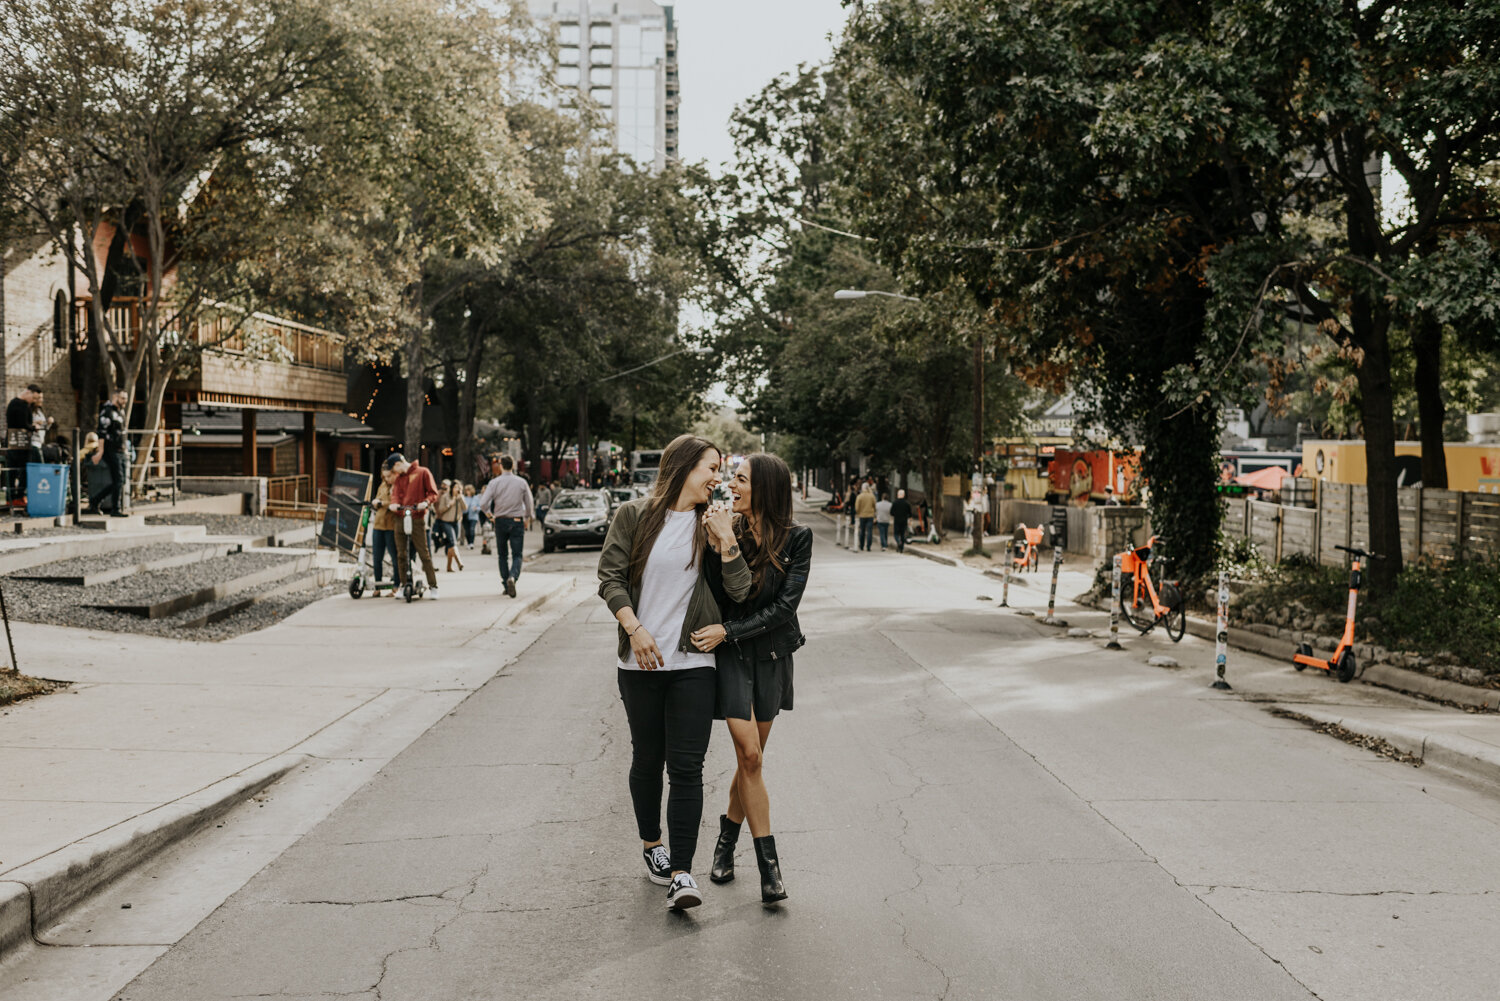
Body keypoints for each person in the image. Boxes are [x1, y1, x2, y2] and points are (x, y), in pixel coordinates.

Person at [597, 433, 748, 911]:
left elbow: (740, 592)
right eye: (711, 467)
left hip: (693, 665)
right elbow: (610, 577)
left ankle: (683, 873)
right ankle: (651, 846)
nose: (717, 477)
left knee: (687, 768)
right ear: (684, 467)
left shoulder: (714, 524)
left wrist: (727, 543)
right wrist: (635, 629)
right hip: (638, 662)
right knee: (648, 759)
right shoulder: (635, 515)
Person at [695, 452, 809, 904]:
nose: (731, 486)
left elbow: (784, 609)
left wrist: (729, 628)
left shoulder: (798, 539)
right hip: (732, 658)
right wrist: (722, 542)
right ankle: (770, 871)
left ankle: (725, 841)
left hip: (774, 655)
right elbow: (720, 594)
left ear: (763, 487)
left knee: (750, 762)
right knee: (752, 757)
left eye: (740, 480)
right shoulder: (723, 530)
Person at [476, 454, 533, 598]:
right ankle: (513, 577)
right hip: (517, 520)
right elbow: (529, 502)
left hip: (500, 520)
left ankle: (505, 584)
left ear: (501, 466)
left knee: (502, 555)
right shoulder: (521, 482)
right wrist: (527, 517)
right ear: (513, 466)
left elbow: (483, 503)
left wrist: (490, 515)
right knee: (517, 554)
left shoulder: (494, 483)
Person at [386, 452, 440, 598]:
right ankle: (404, 584)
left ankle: (433, 586)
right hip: (400, 517)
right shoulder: (399, 479)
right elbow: (395, 495)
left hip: (417, 517)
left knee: (423, 553)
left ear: (397, 464)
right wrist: (394, 504)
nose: (394, 473)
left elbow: (433, 493)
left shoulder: (423, 472)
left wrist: (426, 502)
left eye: (394, 469)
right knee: (401, 554)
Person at [98, 389, 130, 517]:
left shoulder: (120, 412)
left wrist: (126, 449)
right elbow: (101, 432)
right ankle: (115, 509)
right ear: (115, 397)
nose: (125, 401)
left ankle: (95, 500)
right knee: (118, 480)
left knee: (120, 481)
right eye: (122, 398)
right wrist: (100, 451)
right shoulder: (107, 412)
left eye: (126, 398)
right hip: (111, 450)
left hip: (121, 450)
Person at [370, 467, 397, 593]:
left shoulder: (396, 486)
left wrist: (380, 503)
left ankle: (396, 585)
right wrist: (376, 503)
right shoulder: (382, 485)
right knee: (377, 557)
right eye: (384, 476)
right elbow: (378, 500)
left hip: (391, 526)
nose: (386, 478)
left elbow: (394, 502)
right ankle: (378, 586)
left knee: (394, 556)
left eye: (388, 476)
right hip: (378, 525)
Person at [434, 479, 466, 572]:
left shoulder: (460, 497)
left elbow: (465, 508)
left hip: (456, 522)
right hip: (446, 522)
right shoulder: (445, 497)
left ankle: (449, 566)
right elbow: (440, 510)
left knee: (450, 544)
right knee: (453, 542)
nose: (457, 489)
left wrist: (460, 498)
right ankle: (459, 562)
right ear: (452, 488)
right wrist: (449, 504)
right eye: (456, 487)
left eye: (459, 488)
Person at [854, 483, 876, 551]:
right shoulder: (872, 496)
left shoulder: (859, 496)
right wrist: (873, 512)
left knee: (862, 531)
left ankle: (861, 545)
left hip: (862, 515)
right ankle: (868, 546)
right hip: (870, 515)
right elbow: (874, 505)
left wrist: (858, 513)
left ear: (862, 488)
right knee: (869, 531)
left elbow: (857, 507)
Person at [890, 489, 912, 554]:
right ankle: (901, 547)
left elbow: (891, 512)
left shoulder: (895, 502)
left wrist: (895, 514)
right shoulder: (907, 503)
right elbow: (910, 513)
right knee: (902, 534)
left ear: (898, 495)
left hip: (897, 520)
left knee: (896, 534)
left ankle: (898, 542)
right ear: (904, 495)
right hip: (904, 521)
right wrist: (909, 520)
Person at [461, 483, 481, 548]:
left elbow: (480, 507)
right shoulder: (464, 498)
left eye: (469, 490)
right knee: (467, 530)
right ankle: (469, 543)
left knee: (472, 529)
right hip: (465, 516)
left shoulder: (476, 498)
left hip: (473, 516)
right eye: (466, 490)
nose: (467, 491)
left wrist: (476, 509)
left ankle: (472, 543)